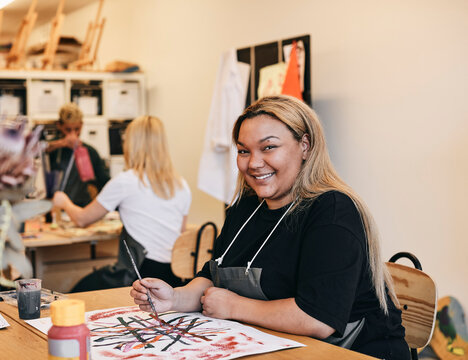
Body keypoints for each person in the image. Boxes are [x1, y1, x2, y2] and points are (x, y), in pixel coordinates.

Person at [131, 95, 410, 360]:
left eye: (268, 147)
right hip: (278, 345)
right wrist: (175, 298)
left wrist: (234, 306)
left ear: (305, 146)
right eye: (243, 151)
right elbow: (213, 274)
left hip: (357, 352)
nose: (253, 163)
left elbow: (318, 319)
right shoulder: (246, 206)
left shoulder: (333, 211)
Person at [53, 115, 191, 290]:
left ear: (132, 145)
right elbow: (179, 234)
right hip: (173, 278)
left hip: (140, 275)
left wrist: (64, 202)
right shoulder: (181, 184)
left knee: (75, 293)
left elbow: (82, 219)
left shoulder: (126, 181)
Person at [45, 103, 109, 207]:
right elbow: (35, 151)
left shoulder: (90, 151)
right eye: (68, 130)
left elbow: (104, 181)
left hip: (82, 207)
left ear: (82, 125)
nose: (73, 135)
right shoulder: (52, 149)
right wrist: (62, 143)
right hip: (56, 208)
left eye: (77, 129)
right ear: (59, 125)